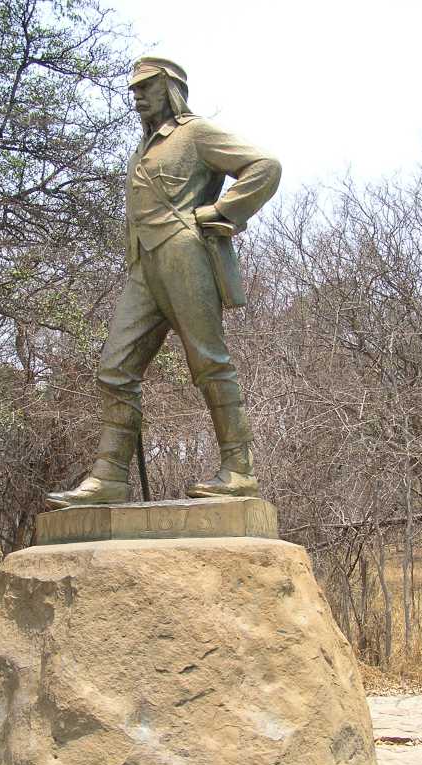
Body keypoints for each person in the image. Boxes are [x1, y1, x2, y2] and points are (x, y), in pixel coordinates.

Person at [46, 56, 281, 508]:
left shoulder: (196, 133)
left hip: (185, 255)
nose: (137, 96)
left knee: (209, 360)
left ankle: (239, 470)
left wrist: (221, 212)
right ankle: (110, 476)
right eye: (134, 89)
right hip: (144, 264)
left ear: (170, 88)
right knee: (115, 367)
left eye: (146, 87)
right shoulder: (143, 148)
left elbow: (265, 165)